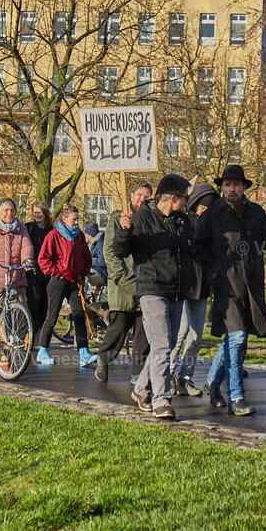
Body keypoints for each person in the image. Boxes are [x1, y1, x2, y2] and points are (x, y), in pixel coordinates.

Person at [196, 165, 266, 416]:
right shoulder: (211, 215)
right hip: (225, 285)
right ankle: (237, 396)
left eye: (236, 185)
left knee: (234, 339)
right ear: (221, 187)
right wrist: (214, 273)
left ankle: (213, 383)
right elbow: (199, 248)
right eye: (227, 185)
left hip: (251, 285)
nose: (232, 189)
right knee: (237, 338)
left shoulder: (256, 212)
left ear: (244, 187)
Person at [113, 174, 196, 419]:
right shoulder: (141, 219)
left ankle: (141, 389)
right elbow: (120, 251)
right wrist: (124, 231)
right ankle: (161, 400)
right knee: (161, 345)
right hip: (152, 289)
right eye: (185, 197)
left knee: (166, 346)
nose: (187, 201)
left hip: (176, 290)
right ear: (173, 197)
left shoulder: (182, 221)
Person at [93, 182, 152, 383]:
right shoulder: (118, 218)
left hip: (145, 281)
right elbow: (109, 250)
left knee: (143, 330)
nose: (142, 199)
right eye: (139, 195)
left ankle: (137, 371)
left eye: (147, 195)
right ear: (132, 195)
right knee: (119, 327)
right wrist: (119, 274)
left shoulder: (150, 219)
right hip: (123, 282)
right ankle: (104, 357)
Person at [169, 182, 219, 397]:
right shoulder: (181, 221)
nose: (204, 212)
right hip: (183, 285)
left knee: (196, 335)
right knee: (179, 333)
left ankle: (185, 376)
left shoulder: (216, 227)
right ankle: (168, 373)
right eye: (202, 208)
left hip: (202, 286)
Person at [36, 204, 98, 367]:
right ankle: (43, 350)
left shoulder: (79, 236)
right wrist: (57, 272)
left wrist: (82, 272)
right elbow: (43, 259)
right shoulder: (54, 235)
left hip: (74, 281)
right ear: (64, 219)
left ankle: (84, 352)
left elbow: (87, 256)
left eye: (78, 219)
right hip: (58, 281)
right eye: (73, 219)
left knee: (79, 314)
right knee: (52, 316)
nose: (77, 222)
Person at [25, 203, 54, 332]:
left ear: (45, 213)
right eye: (35, 212)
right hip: (33, 270)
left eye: (39, 212)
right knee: (33, 303)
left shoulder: (51, 230)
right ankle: (33, 333)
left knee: (45, 304)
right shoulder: (28, 228)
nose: (37, 215)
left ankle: (42, 335)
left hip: (47, 271)